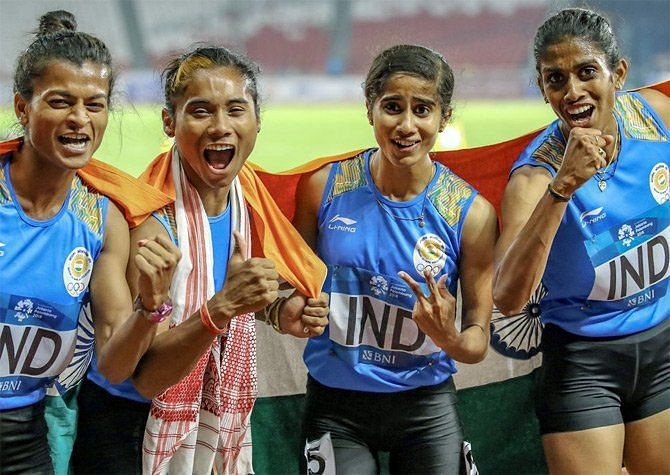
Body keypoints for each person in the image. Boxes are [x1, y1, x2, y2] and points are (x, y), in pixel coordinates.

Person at [73, 45, 329, 475]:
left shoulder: (245, 195)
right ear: (169, 122)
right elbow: (148, 377)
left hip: (202, 416)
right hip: (130, 425)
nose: (220, 127)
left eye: (235, 109)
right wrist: (225, 307)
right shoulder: (152, 227)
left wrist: (276, 309)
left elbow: (215, 288)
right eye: (201, 111)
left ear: (257, 120)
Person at [294, 44, 497, 474]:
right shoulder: (322, 190)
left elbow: (477, 341)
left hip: (426, 409)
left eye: (423, 109)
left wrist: (450, 338)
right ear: (370, 109)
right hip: (336, 406)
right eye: (392, 107)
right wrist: (290, 307)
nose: (407, 125)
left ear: (444, 118)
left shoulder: (471, 215)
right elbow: (289, 291)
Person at [0, 10, 179, 474]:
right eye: (60, 102)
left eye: (94, 104)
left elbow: (115, 364)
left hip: (25, 435)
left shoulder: (103, 219)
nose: (80, 119)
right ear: (24, 108)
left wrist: (150, 308)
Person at [494, 8, 670, 474]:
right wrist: (564, 187)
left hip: (663, 346)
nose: (572, 92)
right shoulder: (534, 178)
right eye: (556, 79)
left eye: (586, 72)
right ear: (542, 87)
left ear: (619, 73)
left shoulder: (658, 118)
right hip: (584, 363)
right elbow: (508, 297)